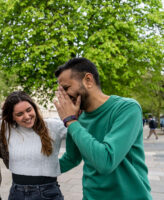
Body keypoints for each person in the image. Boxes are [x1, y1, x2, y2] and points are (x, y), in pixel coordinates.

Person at [53, 58, 152, 200]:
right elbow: (71, 158)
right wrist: (36, 171)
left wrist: (71, 122)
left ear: (88, 80)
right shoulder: (77, 117)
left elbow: (106, 162)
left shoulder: (127, 108)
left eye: (66, 88)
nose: (63, 96)